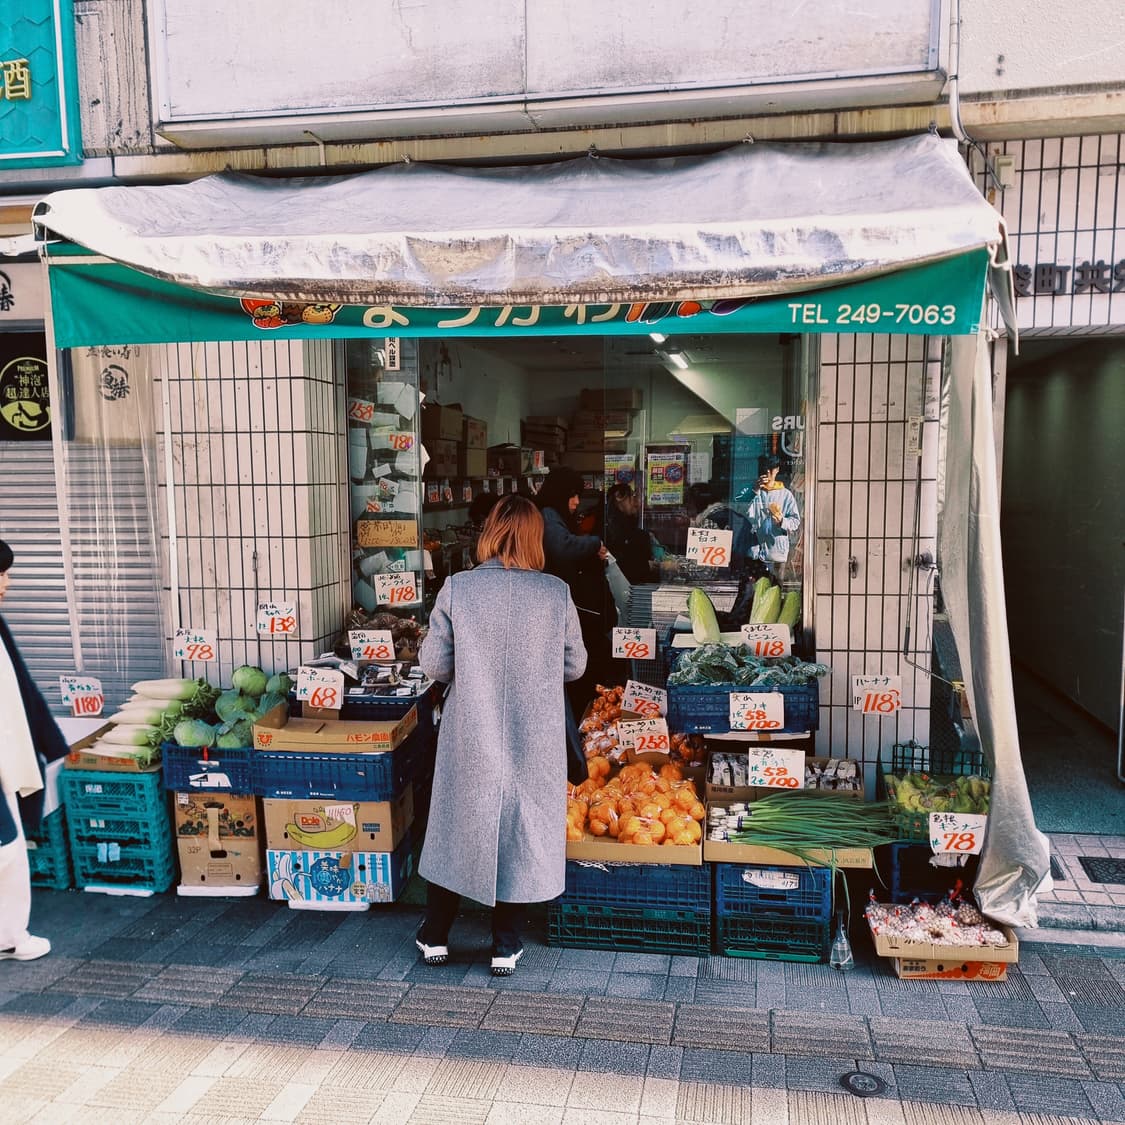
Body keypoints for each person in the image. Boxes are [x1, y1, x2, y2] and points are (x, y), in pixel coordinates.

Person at [414, 496, 587, 975]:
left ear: (490, 531)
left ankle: (435, 934)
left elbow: (434, 665)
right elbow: (575, 666)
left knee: (456, 824)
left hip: (472, 729)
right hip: (536, 732)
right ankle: (504, 944)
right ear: (536, 538)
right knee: (521, 827)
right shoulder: (555, 593)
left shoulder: (458, 589)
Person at [0, 539, 69, 962]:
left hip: (6, 754)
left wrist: (48, 740)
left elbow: (20, 688)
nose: (5, 584)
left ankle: (9, 934)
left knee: (9, 849)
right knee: (5, 849)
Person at [535, 466, 616, 709]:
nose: (577, 502)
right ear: (561, 494)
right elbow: (563, 547)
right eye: (573, 495)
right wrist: (594, 544)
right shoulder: (549, 515)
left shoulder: (552, 515)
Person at [744, 455, 801, 571]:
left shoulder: (785, 494)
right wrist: (754, 491)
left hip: (776, 551)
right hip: (755, 550)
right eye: (765, 469)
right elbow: (745, 514)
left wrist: (782, 522)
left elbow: (795, 521)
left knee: (775, 585)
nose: (768, 473)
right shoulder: (753, 491)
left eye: (772, 469)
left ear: (777, 470)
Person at [684, 482, 755, 570]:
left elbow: (705, 569)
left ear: (696, 503)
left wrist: (677, 566)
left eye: (689, 502)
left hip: (728, 574)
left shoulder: (710, 522)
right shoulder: (733, 516)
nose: (687, 507)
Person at [604, 483, 657, 586]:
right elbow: (615, 563)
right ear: (619, 497)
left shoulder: (634, 530)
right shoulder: (610, 529)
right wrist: (646, 566)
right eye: (632, 496)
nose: (636, 503)